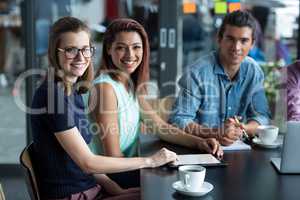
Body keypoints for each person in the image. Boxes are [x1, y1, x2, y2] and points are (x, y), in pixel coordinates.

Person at [30, 16, 178, 200]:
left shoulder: (71, 91)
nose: (80, 57)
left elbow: (85, 158)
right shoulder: (52, 96)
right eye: (70, 50)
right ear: (55, 53)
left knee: (163, 192)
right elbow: (87, 163)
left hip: (90, 189)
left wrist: (114, 188)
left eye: (85, 50)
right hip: (73, 195)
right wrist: (150, 161)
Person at [85, 18, 223, 186]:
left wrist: (200, 142)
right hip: (110, 177)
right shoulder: (105, 88)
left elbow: (161, 128)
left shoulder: (128, 83)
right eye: (121, 48)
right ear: (109, 49)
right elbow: (113, 157)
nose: (130, 55)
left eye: (136, 47)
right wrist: (151, 161)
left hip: (128, 168)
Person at [169, 10, 270, 146]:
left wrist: (242, 129)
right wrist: (215, 132)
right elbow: (178, 121)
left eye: (244, 41)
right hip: (198, 150)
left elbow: (261, 116)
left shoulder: (254, 71)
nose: (236, 47)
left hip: (238, 153)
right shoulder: (197, 73)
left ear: (252, 44)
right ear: (219, 39)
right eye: (230, 39)